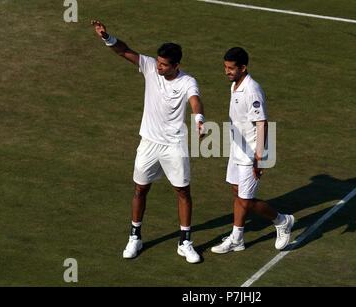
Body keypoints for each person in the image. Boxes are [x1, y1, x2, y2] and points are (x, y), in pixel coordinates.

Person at [91, 20, 204, 263]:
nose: (159, 67)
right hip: (149, 143)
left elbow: (195, 100)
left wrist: (199, 119)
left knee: (182, 191)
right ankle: (135, 236)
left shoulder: (187, 82)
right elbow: (124, 51)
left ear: (176, 65)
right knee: (140, 189)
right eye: (159, 62)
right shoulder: (151, 67)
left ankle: (185, 241)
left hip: (174, 145)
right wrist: (106, 37)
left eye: (164, 64)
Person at [211, 47, 294, 254]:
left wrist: (259, 157)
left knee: (246, 200)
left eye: (231, 68)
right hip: (237, 149)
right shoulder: (235, 85)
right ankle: (237, 238)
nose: (226, 72)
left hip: (251, 154)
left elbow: (262, 123)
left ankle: (282, 221)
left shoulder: (252, 90)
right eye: (225, 67)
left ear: (243, 68)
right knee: (237, 193)